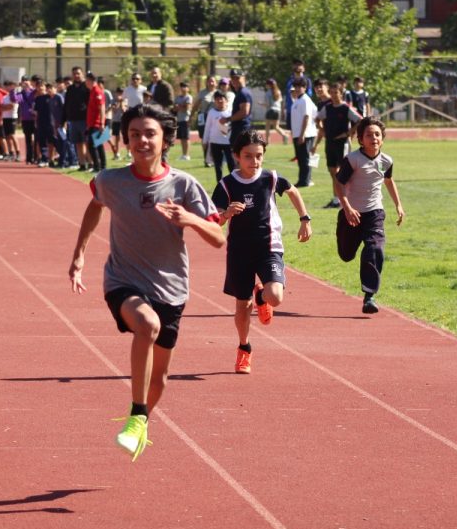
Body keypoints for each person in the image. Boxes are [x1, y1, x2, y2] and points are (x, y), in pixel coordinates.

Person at [68, 103, 225, 461]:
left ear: (166, 139)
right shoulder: (110, 180)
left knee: (161, 380)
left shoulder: (184, 185)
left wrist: (190, 219)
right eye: (135, 134)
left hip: (171, 288)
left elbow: (218, 238)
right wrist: (79, 254)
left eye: (150, 133)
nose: (141, 140)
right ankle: (138, 413)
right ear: (126, 139)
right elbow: (95, 204)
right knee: (147, 325)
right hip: (123, 281)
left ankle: (139, 420)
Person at [212, 130, 311, 374]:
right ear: (236, 156)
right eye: (248, 156)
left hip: (269, 247)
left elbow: (293, 191)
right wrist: (226, 214)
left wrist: (304, 218)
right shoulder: (226, 184)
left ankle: (262, 297)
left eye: (258, 156)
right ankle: (244, 348)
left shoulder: (271, 178)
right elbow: (214, 220)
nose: (254, 162)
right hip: (239, 251)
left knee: (275, 296)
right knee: (241, 305)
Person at [334, 116, 405, 314]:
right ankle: (345, 237)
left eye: (377, 134)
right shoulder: (353, 160)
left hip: (374, 211)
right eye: (368, 135)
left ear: (382, 138)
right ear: (360, 139)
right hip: (352, 214)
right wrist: (347, 207)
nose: (373, 138)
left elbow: (388, 181)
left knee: (374, 248)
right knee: (346, 254)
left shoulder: (386, 160)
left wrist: (398, 205)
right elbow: (339, 183)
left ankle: (369, 296)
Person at [318, 80, 361, 207]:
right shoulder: (327, 108)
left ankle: (347, 198)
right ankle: (337, 199)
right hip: (330, 142)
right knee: (333, 172)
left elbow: (360, 120)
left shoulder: (346, 108)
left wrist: (349, 133)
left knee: (344, 171)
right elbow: (317, 119)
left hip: (342, 143)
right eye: (331, 92)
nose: (333, 95)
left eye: (335, 92)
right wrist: (322, 130)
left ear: (341, 94)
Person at [289, 77, 317, 188]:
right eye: (295, 86)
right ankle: (302, 179)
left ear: (305, 88)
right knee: (300, 158)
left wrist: (302, 134)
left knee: (305, 158)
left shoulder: (305, 99)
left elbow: (307, 117)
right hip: (298, 134)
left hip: (306, 134)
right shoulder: (298, 100)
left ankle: (305, 181)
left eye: (300, 86)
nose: (297, 88)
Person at [204, 90, 234, 181]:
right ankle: (220, 185)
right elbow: (208, 127)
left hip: (228, 143)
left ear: (226, 100)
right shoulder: (211, 112)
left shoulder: (230, 112)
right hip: (215, 142)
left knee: (231, 164)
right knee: (218, 166)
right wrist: (205, 141)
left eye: (222, 98)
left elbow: (234, 127)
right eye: (217, 99)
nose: (220, 101)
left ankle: (234, 183)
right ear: (215, 101)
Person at [65, 67, 91, 169]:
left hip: (84, 119)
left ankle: (91, 162)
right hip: (73, 120)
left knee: (87, 142)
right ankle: (82, 164)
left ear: (82, 74)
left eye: (78, 73)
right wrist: (65, 119)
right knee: (78, 143)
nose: (76, 75)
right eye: (74, 74)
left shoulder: (86, 87)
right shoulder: (70, 89)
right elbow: (66, 104)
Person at [223, 69, 253, 146]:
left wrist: (227, 119)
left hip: (242, 129)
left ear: (244, 78)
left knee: (238, 154)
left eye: (237, 78)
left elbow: (244, 112)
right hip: (239, 128)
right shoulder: (240, 92)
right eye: (233, 78)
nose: (235, 80)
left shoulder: (243, 93)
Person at [86, 74, 107, 172]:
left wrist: (102, 123)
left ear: (90, 80)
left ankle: (99, 166)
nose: (85, 83)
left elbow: (101, 108)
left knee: (93, 145)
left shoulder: (97, 91)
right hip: (92, 123)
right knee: (98, 145)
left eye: (86, 80)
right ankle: (101, 166)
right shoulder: (92, 91)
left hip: (97, 123)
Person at [283, 59, 312, 127]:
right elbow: (287, 96)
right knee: (293, 133)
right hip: (291, 110)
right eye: (295, 64)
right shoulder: (289, 80)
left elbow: (309, 95)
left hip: (302, 111)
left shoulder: (307, 80)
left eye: (300, 65)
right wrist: (284, 109)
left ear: (304, 68)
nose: (297, 66)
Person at [1, 79, 22, 162]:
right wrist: (5, 107)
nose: (8, 88)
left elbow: (12, 106)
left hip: (12, 117)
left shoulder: (15, 96)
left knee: (12, 135)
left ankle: (18, 153)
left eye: (10, 86)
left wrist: (5, 107)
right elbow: (1, 107)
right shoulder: (5, 97)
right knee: (7, 137)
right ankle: (11, 153)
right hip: (5, 117)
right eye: (7, 86)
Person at [20, 76, 39, 165]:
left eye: (27, 81)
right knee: (28, 139)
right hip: (25, 119)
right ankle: (29, 158)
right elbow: (14, 99)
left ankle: (36, 157)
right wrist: (16, 89)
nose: (25, 82)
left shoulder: (34, 92)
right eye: (23, 81)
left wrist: (30, 88)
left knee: (36, 139)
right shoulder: (21, 93)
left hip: (34, 118)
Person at [173, 81, 193, 160]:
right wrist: (181, 106)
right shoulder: (178, 98)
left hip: (186, 119)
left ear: (188, 89)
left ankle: (187, 155)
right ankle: (183, 154)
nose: (183, 88)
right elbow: (174, 108)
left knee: (186, 137)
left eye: (185, 87)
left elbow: (187, 108)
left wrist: (180, 107)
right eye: (182, 87)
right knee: (181, 138)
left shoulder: (188, 97)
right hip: (179, 119)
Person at [109, 87, 125, 161]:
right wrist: (118, 102)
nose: (120, 94)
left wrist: (122, 102)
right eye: (119, 92)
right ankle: (117, 153)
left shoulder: (125, 100)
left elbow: (124, 110)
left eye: (121, 93)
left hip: (123, 120)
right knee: (116, 137)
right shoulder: (113, 101)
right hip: (116, 120)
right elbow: (114, 110)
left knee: (126, 136)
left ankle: (129, 152)